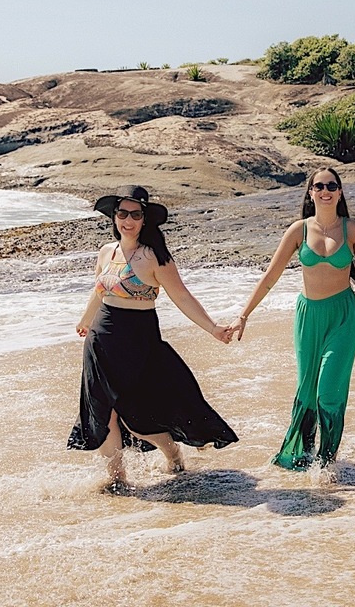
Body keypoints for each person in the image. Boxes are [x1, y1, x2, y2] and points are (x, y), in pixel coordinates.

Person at [67, 185, 238, 491]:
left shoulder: (154, 258)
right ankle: (117, 479)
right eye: (122, 213)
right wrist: (85, 320)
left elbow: (182, 297)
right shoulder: (107, 252)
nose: (128, 221)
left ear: (144, 219)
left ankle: (172, 453)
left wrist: (213, 328)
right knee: (104, 413)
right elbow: (99, 290)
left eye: (135, 215)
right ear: (114, 216)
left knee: (137, 418)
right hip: (100, 340)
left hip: (137, 342)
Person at [228, 167, 355, 470]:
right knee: (306, 392)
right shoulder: (299, 230)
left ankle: (326, 463)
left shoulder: (353, 230)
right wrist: (244, 315)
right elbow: (270, 276)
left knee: (328, 392)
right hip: (308, 317)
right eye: (319, 186)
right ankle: (302, 457)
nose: (325, 191)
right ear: (310, 192)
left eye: (331, 185)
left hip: (343, 317)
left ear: (340, 192)